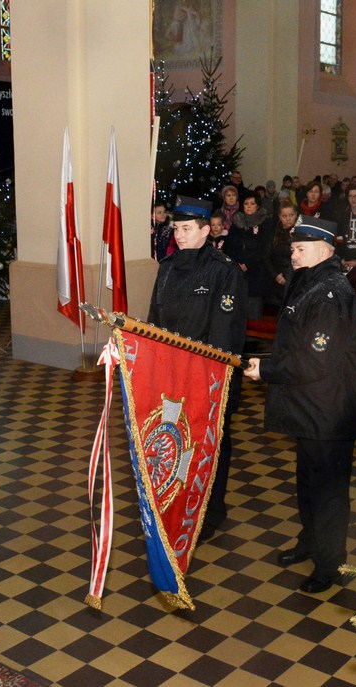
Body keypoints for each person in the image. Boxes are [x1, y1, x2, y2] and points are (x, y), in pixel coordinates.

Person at [244, 217, 356, 594]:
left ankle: (330, 564)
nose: (293, 254)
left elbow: (316, 361)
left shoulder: (330, 293)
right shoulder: (310, 282)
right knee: (309, 483)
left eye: (300, 249)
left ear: (325, 250)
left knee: (329, 490)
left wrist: (265, 369)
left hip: (329, 410)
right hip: (310, 406)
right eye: (293, 248)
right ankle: (311, 542)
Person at [147, 195, 247, 541]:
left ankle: (211, 509)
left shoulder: (224, 272)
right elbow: (154, 325)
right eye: (176, 228)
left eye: (187, 229)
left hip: (209, 380)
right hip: (173, 379)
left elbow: (225, 334)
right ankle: (179, 500)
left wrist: (204, 376)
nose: (180, 235)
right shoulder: (167, 269)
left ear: (207, 230)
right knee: (178, 441)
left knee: (211, 446)